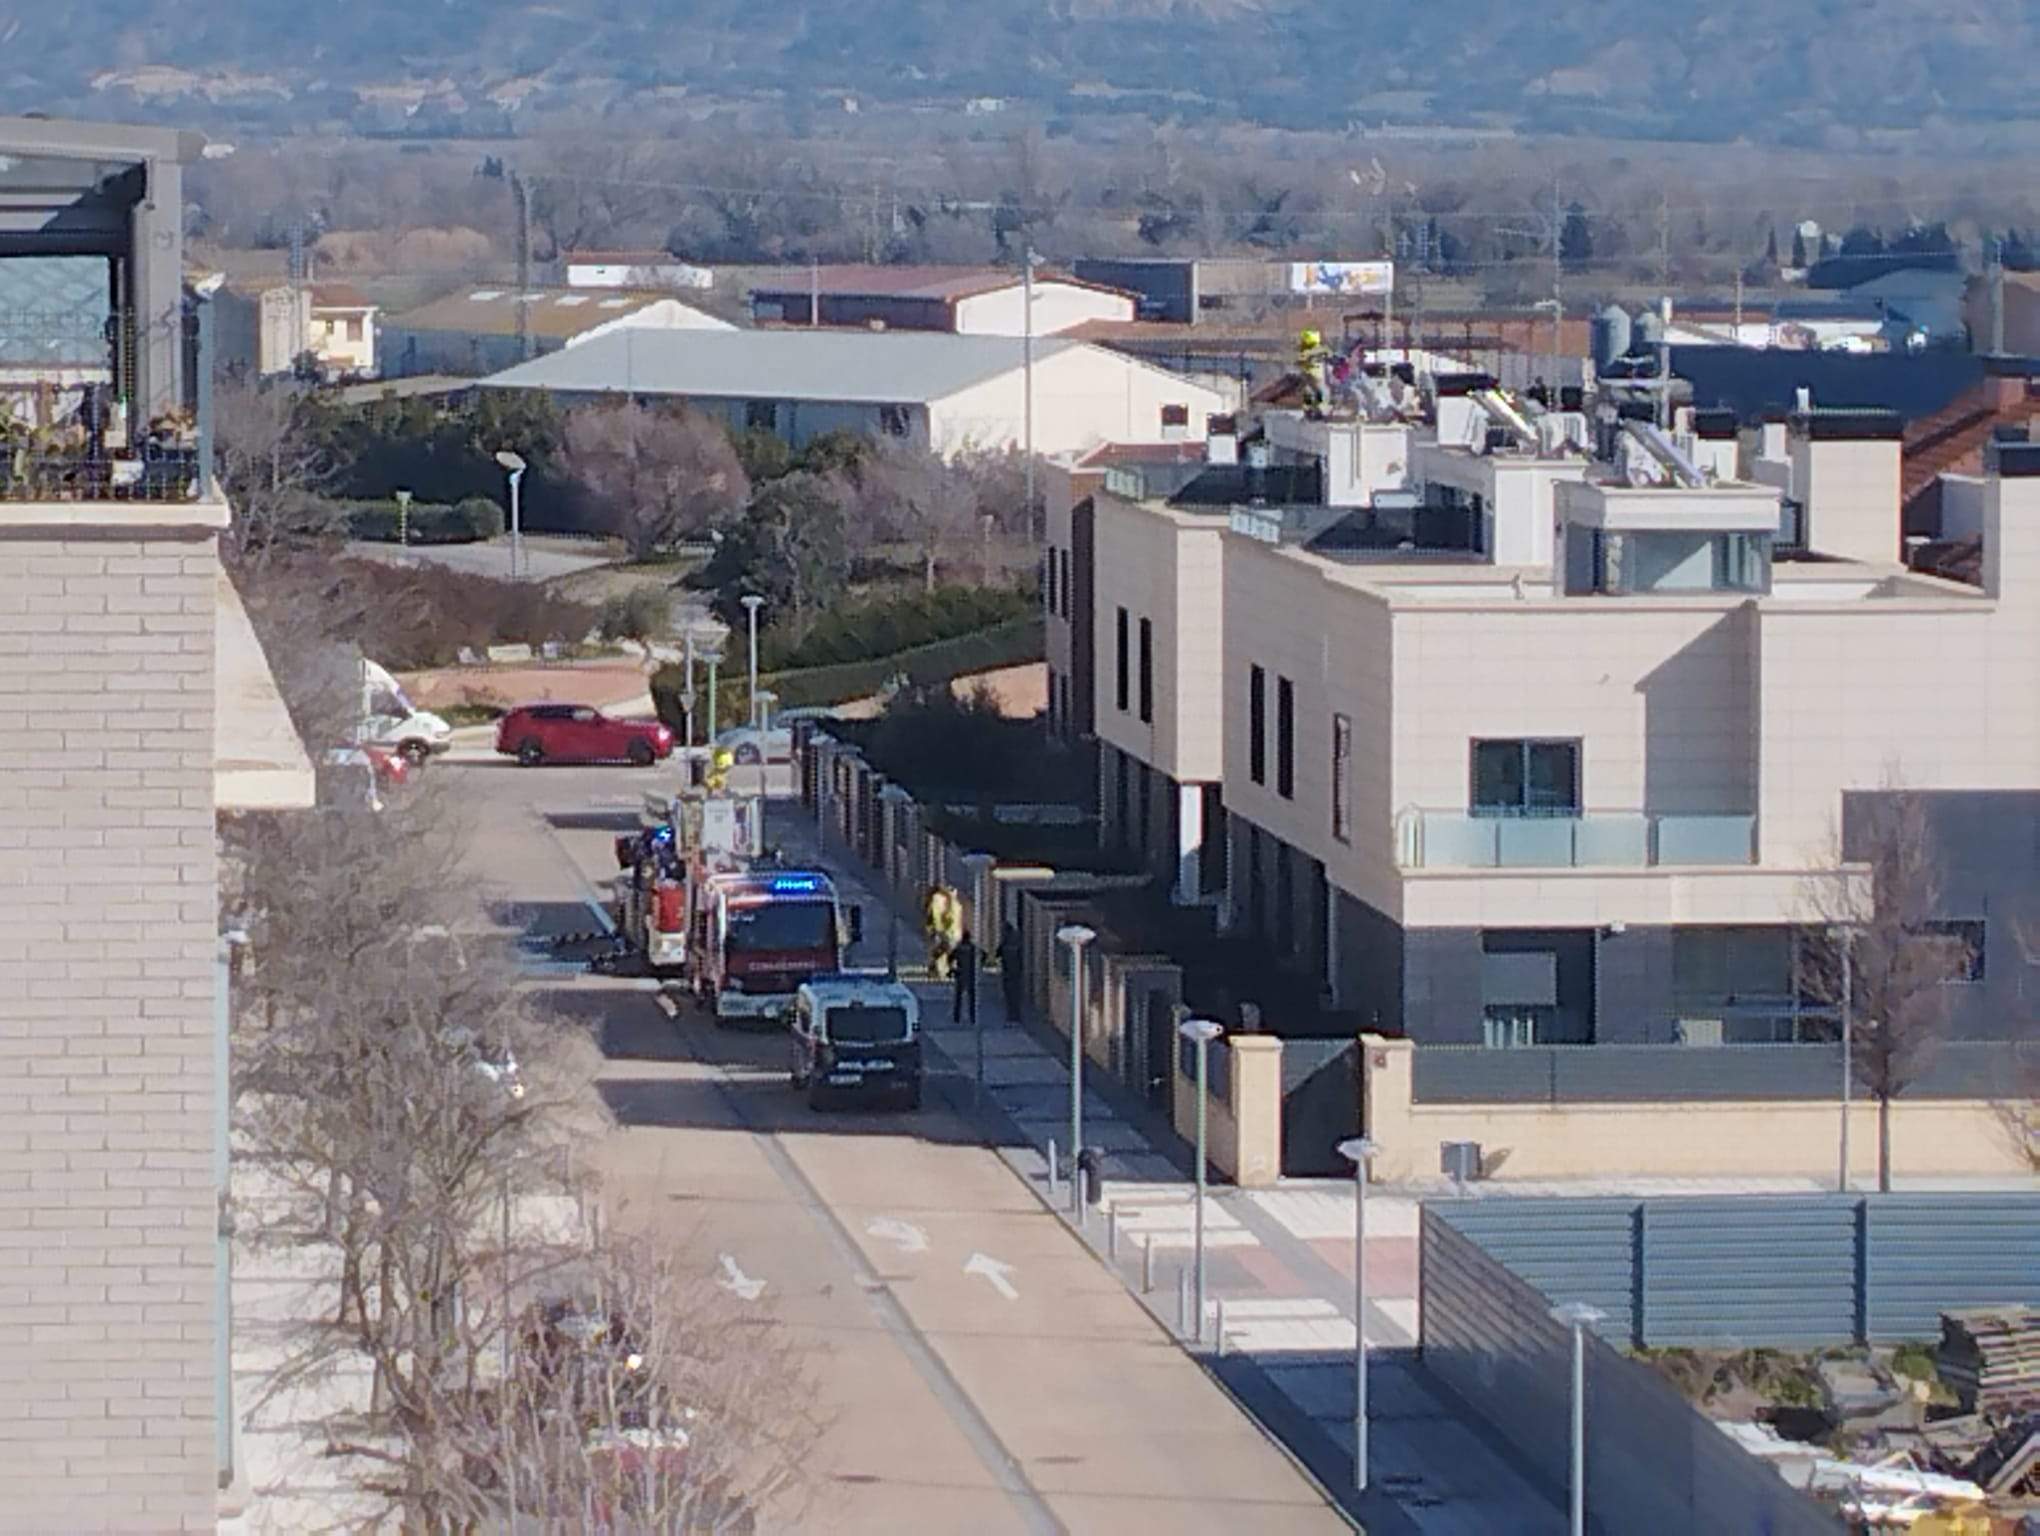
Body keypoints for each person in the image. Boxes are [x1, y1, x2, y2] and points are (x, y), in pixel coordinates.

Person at [924, 886, 954, 980]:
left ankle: (935, 969)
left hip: (939, 929)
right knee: (943, 948)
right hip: (938, 929)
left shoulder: (937, 902)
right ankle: (934, 969)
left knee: (943, 948)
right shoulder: (937, 902)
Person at [951, 930, 979, 1026]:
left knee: (958, 997)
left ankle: (956, 1018)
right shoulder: (972, 947)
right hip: (971, 974)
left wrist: (953, 968)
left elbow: (951, 957)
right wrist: (977, 966)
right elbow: (983, 955)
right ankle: (973, 1017)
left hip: (960, 973)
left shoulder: (959, 948)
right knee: (972, 998)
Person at [998, 921, 1023, 1021]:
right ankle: (1014, 1014)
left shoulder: (1007, 941)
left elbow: (998, 953)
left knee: (1011, 994)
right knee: (1013, 994)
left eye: (1003, 930)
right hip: (1014, 972)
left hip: (1010, 972)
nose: (1002, 932)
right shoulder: (1016, 939)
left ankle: (1012, 1015)